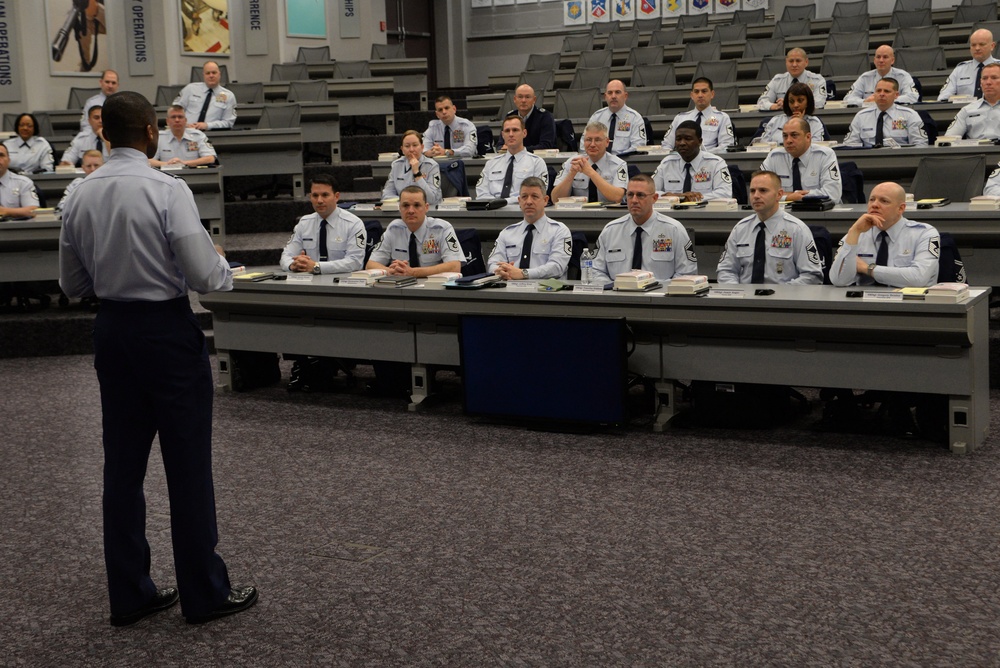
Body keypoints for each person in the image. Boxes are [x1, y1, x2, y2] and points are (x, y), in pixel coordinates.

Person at [58, 90, 257, 627]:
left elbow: (71, 284)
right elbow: (205, 277)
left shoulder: (77, 194)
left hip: (113, 333)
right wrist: (221, 265)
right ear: (151, 133)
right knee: (186, 464)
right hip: (166, 332)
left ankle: (130, 592)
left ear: (103, 134)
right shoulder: (169, 189)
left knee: (121, 468)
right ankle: (203, 592)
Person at [716, 170, 823, 285]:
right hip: (744, 299)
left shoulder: (797, 230)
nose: (756, 196)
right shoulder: (740, 229)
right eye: (752, 191)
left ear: (779, 194)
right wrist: (738, 294)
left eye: (763, 190)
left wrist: (780, 294)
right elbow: (726, 271)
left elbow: (812, 275)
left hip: (783, 299)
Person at [591, 174, 697, 284]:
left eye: (640, 195)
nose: (634, 200)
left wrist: (658, 288)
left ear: (654, 198)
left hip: (661, 298)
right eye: (630, 195)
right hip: (619, 297)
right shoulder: (610, 231)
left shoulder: (674, 230)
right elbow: (595, 271)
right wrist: (614, 288)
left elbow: (687, 273)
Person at [830, 182, 940, 287]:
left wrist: (868, 268)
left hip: (910, 303)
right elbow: (839, 281)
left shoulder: (924, 233)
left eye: (884, 201)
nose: (875, 205)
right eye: (872, 200)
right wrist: (853, 232)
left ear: (901, 208)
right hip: (865, 303)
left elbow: (918, 278)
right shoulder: (857, 234)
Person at [366, 185, 464, 276]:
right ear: (400, 208)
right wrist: (391, 271)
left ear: (426, 208)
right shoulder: (393, 229)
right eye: (406, 205)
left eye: (417, 205)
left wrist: (413, 272)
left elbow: (455, 267)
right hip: (401, 287)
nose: (411, 211)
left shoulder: (442, 229)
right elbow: (370, 265)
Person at [487, 176, 571, 280]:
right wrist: (500, 271)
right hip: (510, 290)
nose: (529, 202)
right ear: (519, 201)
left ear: (545, 200)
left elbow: (556, 268)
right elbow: (492, 263)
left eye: (534, 196)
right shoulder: (507, 233)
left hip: (546, 292)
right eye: (524, 197)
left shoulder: (559, 231)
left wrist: (523, 274)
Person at [281, 174, 366, 274]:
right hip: (310, 282)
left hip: (342, 283)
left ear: (336, 196)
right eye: (315, 196)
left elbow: (355, 262)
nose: (319, 201)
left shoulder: (353, 224)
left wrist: (318, 267)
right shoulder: (304, 223)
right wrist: (292, 265)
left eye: (325, 195)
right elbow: (286, 255)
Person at [759, 117, 842, 203]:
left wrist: (784, 196)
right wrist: (790, 197)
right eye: (785, 136)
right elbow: (760, 194)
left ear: (808, 137)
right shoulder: (774, 157)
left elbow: (833, 195)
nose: (788, 140)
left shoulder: (824, 155)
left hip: (819, 213)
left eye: (794, 135)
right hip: (783, 213)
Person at [652, 120, 732, 202]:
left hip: (704, 213)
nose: (682, 143)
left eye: (688, 139)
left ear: (700, 141)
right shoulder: (666, 164)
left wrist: (696, 198)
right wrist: (678, 197)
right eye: (678, 139)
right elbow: (649, 192)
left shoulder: (716, 163)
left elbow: (725, 193)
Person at [549, 121, 628, 204]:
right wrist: (571, 174)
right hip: (579, 214)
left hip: (609, 215)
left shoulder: (618, 164)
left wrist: (591, 172)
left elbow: (617, 197)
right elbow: (555, 199)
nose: (592, 144)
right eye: (588, 140)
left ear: (607, 142)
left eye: (597, 140)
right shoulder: (572, 162)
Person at [475, 115, 548, 204]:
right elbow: (481, 193)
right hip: (492, 211)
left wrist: (503, 202)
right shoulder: (491, 164)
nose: (511, 134)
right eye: (507, 131)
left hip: (523, 211)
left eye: (515, 130)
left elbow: (538, 193)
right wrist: (495, 204)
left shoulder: (537, 163)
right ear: (502, 135)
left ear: (524, 133)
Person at [843, 78, 928, 148]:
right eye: (878, 91)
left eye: (886, 91)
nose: (881, 94)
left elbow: (921, 144)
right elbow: (849, 145)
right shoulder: (861, 116)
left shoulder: (909, 115)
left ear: (896, 95)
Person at [661, 77, 735, 155]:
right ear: (692, 95)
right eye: (696, 92)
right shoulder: (680, 118)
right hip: (681, 161)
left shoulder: (722, 118)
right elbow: (666, 145)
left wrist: (701, 155)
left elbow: (726, 146)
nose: (700, 95)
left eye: (704, 91)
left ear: (712, 94)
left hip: (710, 162)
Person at [843, 46, 919, 106]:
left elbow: (913, 97)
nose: (881, 60)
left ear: (892, 60)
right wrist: (865, 101)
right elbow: (847, 99)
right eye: (878, 57)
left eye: (885, 57)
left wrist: (887, 100)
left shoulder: (903, 76)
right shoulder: (865, 78)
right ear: (874, 60)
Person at [588, 79, 647, 155]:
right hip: (599, 162)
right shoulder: (596, 117)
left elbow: (638, 146)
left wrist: (615, 161)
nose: (613, 96)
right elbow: (585, 144)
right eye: (610, 93)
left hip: (625, 162)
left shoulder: (635, 118)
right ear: (605, 97)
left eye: (617, 92)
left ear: (625, 96)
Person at [756, 48, 827, 111]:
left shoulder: (817, 80)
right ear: (786, 62)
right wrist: (775, 106)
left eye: (798, 61)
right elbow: (761, 102)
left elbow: (819, 103)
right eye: (791, 61)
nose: (794, 65)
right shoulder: (777, 81)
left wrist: (788, 104)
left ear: (806, 62)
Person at [382, 129, 442, 205]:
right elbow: (387, 194)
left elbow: (432, 199)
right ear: (402, 149)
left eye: (415, 145)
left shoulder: (432, 166)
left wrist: (417, 173)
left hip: (427, 211)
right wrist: (405, 202)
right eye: (407, 146)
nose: (411, 149)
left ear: (422, 147)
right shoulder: (397, 165)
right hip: (402, 210)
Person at [173, 61, 237, 131]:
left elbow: (228, 122)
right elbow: (175, 111)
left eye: (214, 73)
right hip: (187, 133)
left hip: (212, 135)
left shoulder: (228, 96)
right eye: (208, 73)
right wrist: (184, 124)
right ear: (203, 75)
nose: (211, 75)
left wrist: (207, 125)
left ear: (219, 74)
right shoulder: (190, 89)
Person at [937, 29, 999, 101]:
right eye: (973, 45)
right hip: (965, 110)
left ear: (992, 46)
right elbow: (943, 97)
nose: (977, 48)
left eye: (982, 44)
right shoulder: (960, 70)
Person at [754, 82, 827, 144]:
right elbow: (764, 146)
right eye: (791, 101)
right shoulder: (775, 121)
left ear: (808, 102)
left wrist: (800, 124)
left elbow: (816, 149)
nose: (795, 105)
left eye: (800, 100)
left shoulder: (815, 123)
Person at [149, 105, 217, 168]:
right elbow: (149, 161)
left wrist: (184, 163)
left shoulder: (198, 136)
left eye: (180, 117)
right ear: (167, 121)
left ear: (185, 120)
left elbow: (210, 158)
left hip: (193, 176)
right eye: (173, 117)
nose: (177, 120)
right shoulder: (159, 137)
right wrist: (168, 164)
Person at [945, 62, 1000, 139]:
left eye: (994, 78)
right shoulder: (967, 110)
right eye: (984, 78)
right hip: (976, 150)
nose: (988, 82)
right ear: (980, 83)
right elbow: (949, 138)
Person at [502, 84, 556, 152]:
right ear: (515, 99)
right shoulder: (510, 116)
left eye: (527, 97)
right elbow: (500, 143)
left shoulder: (545, 116)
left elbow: (546, 146)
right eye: (520, 97)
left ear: (534, 99)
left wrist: (519, 150)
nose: (523, 100)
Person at [0, 143, 40, 218]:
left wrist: (4, 211)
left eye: (1, 155)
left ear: (9, 160)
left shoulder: (23, 183)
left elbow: (33, 211)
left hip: (13, 228)